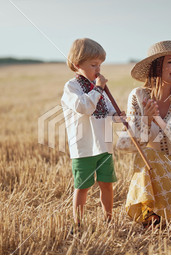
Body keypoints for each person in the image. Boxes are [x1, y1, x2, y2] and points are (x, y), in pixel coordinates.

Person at [117, 40, 171, 227]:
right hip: (153, 170)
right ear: (157, 67)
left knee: (149, 155)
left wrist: (160, 121)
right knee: (147, 155)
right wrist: (146, 121)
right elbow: (125, 145)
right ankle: (152, 211)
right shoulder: (138, 96)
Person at [61, 38, 124, 227]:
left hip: (104, 145)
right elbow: (85, 107)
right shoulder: (71, 88)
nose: (99, 69)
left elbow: (106, 111)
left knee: (107, 184)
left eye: (100, 65)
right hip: (84, 147)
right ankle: (78, 223)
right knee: (83, 186)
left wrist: (118, 116)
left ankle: (108, 218)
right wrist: (98, 88)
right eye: (94, 64)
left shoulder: (99, 89)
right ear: (77, 65)